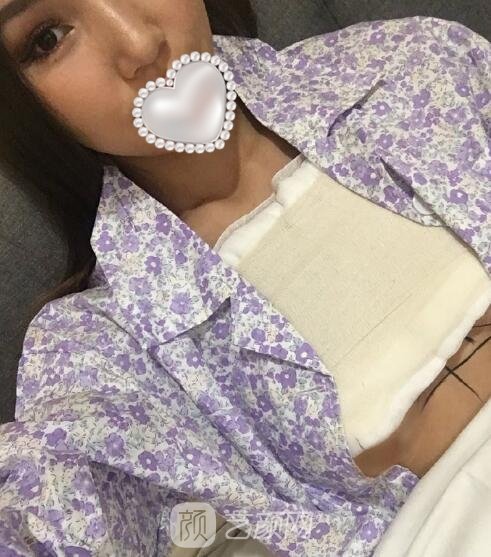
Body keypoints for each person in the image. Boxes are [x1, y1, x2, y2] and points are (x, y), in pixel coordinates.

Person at [0, 1, 489, 555]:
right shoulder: (97, 344)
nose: (138, 43)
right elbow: (52, 507)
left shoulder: (410, 68)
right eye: (48, 38)